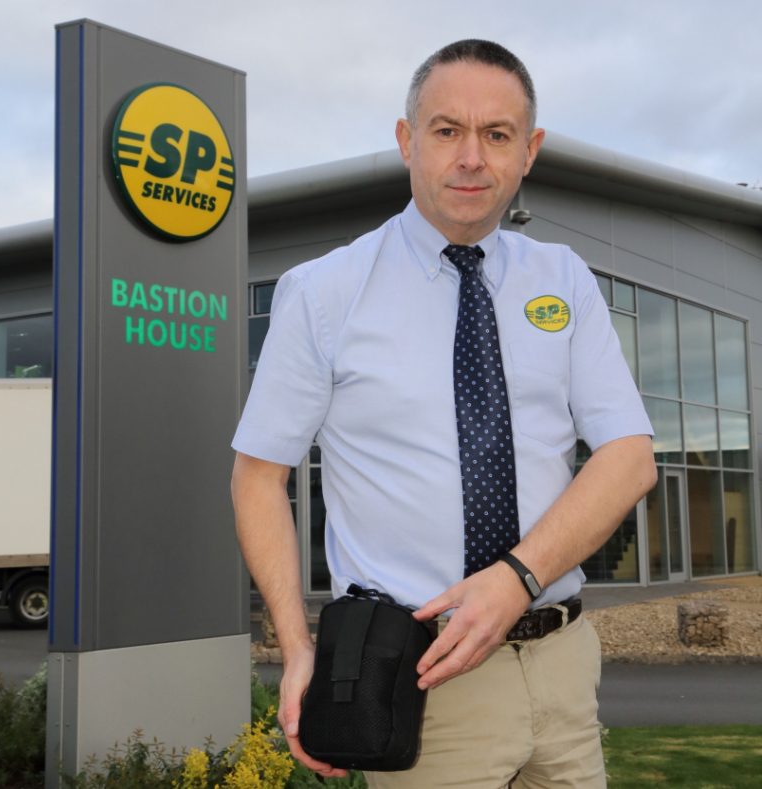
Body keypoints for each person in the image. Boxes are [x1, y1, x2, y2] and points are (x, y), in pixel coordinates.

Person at [231, 39, 657, 788]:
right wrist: (297, 648)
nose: (471, 158)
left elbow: (629, 457)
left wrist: (515, 578)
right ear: (407, 141)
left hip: (561, 664)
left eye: (497, 135)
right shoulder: (324, 293)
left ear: (530, 152)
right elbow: (258, 477)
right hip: (419, 678)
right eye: (446, 130)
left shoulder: (563, 279)